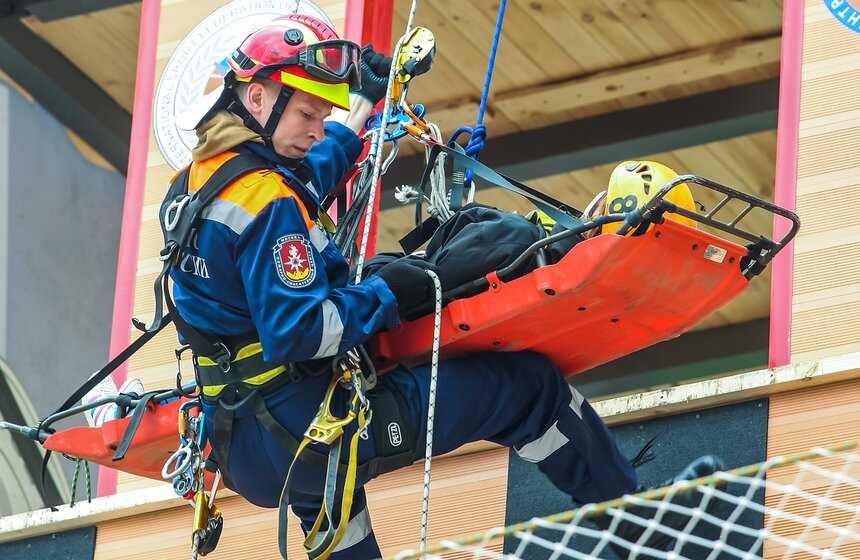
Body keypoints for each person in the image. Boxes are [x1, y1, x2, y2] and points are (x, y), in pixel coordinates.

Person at [166, 13, 721, 559]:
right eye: (308, 113)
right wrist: (390, 295)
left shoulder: (195, 188)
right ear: (258, 99)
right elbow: (301, 332)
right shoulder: (268, 201)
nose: (315, 129)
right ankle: (643, 533)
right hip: (307, 425)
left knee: (337, 513)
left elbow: (317, 162)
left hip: (247, 442)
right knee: (529, 391)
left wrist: (368, 103)